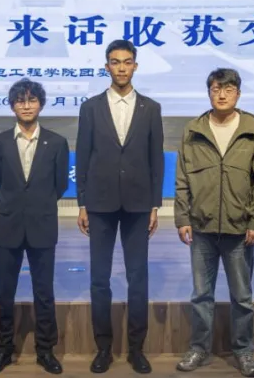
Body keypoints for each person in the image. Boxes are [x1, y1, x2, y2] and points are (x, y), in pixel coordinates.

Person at [173, 68, 254, 378]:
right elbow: (182, 179)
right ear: (209, 93)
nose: (222, 94)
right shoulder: (193, 130)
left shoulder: (253, 130)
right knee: (201, 295)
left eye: (228, 89)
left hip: (239, 229)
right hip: (201, 228)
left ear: (238, 93)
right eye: (216, 89)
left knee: (242, 297)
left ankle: (244, 352)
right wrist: (182, 218)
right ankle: (199, 348)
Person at [75, 40, 164, 375]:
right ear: (107, 67)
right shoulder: (90, 107)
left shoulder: (151, 108)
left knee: (138, 278)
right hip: (99, 203)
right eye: (115, 62)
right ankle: (103, 348)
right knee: (99, 278)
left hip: (139, 204)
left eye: (127, 62)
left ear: (135, 66)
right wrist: (82, 202)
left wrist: (155, 205)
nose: (122, 67)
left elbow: (156, 158)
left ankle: (137, 349)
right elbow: (83, 155)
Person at [0, 79, 69, 376]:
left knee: (44, 292)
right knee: (3, 292)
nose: (26, 105)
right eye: (20, 100)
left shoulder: (57, 142)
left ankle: (45, 350)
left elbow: (60, 185)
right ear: (12, 106)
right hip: (8, 224)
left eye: (32, 100)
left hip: (42, 224)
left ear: (41, 104)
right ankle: (2, 349)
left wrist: (36, 204)